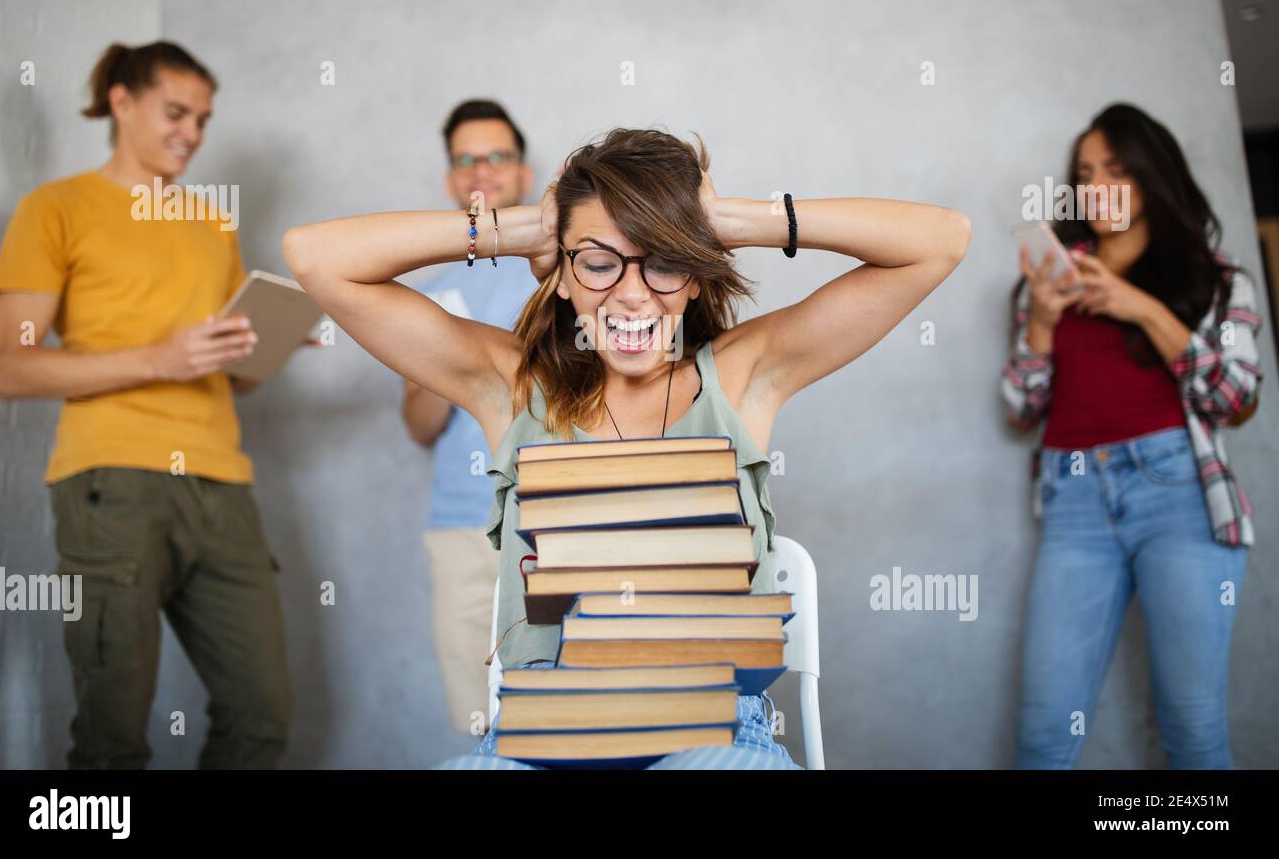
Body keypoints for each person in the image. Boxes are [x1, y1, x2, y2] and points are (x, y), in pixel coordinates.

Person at [283, 127, 970, 768]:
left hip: (713, 730)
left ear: (697, 274)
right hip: (544, 734)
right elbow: (315, 258)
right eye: (600, 263)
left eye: (666, 263)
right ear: (559, 274)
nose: (633, 295)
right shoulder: (514, 388)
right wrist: (518, 227)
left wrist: (736, 221)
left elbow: (941, 239)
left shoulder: (742, 376)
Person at [0, 41, 292, 768]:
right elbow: (5, 366)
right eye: (177, 112)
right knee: (112, 737)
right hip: (111, 484)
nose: (193, 132)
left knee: (262, 718)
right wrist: (160, 357)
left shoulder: (212, 222)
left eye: (205, 119)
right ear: (122, 102)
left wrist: (262, 346)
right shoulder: (54, 208)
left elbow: (227, 373)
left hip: (224, 484)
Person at [1002, 103, 1263, 769]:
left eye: (1115, 169)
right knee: (1042, 733)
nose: (1096, 186)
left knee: (1193, 731)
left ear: (1151, 176)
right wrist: (1041, 325)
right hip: (1074, 500)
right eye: (1085, 172)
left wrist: (1138, 306)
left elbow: (1235, 397)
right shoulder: (1049, 280)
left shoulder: (1218, 279)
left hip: (1179, 495)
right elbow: (1018, 408)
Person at [405, 100, 538, 731]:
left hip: (552, 521)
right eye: (466, 159)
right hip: (460, 528)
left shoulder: (563, 275)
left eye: (496, 155)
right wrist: (449, 354)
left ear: (524, 171)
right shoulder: (429, 295)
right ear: (450, 179)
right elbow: (420, 426)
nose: (481, 168)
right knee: (479, 723)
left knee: (563, 718)